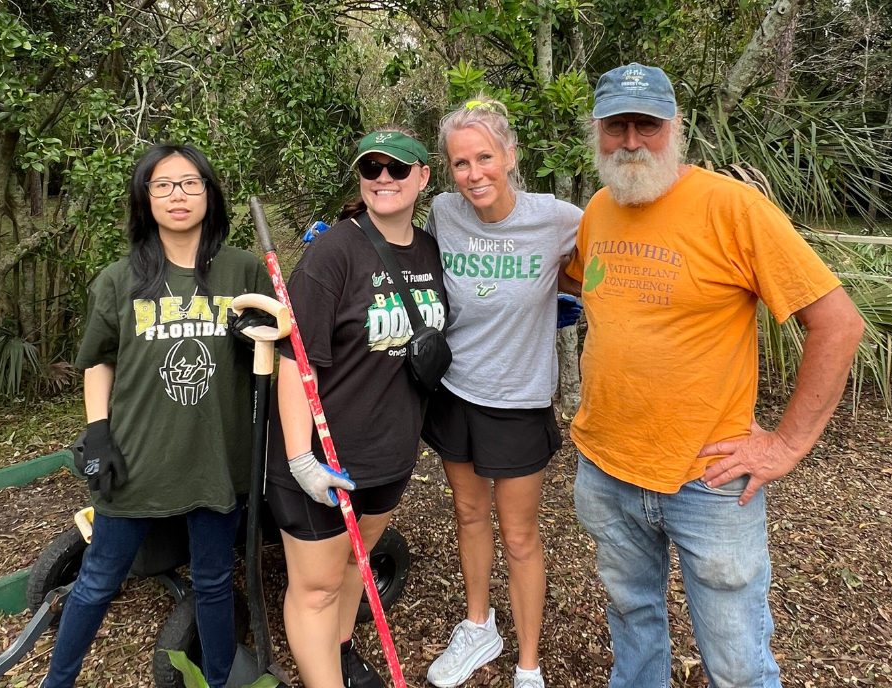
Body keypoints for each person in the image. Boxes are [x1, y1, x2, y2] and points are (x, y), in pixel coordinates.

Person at [564, 63, 866, 688]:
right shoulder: (600, 208)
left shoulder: (732, 207)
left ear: (674, 128)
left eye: (645, 125)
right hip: (606, 465)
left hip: (709, 477)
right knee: (632, 621)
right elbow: (589, 292)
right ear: (596, 132)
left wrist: (784, 444)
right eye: (615, 126)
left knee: (735, 663)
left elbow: (838, 324)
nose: (630, 141)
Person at [42, 144, 274, 688]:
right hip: (135, 459)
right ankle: (58, 681)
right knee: (99, 578)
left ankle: (219, 680)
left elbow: (279, 355)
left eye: (191, 183)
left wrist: (258, 342)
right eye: (163, 184)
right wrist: (98, 431)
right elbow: (99, 360)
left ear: (210, 196)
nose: (178, 195)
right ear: (145, 198)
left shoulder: (244, 270)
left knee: (215, 582)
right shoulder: (119, 279)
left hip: (217, 459)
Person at [264, 125, 447, 688]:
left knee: (353, 567)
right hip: (323, 459)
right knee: (316, 589)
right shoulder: (333, 252)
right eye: (372, 169)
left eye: (397, 168)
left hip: (389, 454)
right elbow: (297, 360)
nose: (384, 178)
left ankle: (340, 655)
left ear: (423, 176)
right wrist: (300, 459)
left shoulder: (430, 249)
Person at [422, 96, 582, 688]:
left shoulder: (558, 218)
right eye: (460, 164)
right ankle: (478, 626)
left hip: (517, 400)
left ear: (510, 156)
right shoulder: (443, 211)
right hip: (456, 391)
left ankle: (528, 666)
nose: (474, 175)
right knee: (468, 514)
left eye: (484, 158)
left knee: (519, 536)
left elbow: (603, 257)